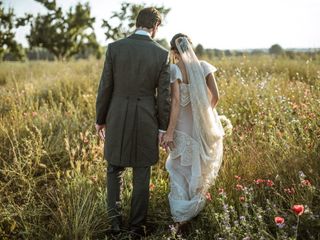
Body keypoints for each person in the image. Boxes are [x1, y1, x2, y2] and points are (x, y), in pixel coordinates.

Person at [95, 7, 171, 238]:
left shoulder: (114, 48)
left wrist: (100, 119)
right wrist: (162, 128)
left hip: (116, 116)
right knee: (141, 172)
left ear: (136, 23)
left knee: (113, 170)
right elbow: (164, 97)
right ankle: (137, 228)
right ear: (155, 27)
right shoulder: (162, 54)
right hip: (147, 119)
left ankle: (115, 225)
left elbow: (105, 87)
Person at [162, 33, 226, 234]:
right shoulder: (204, 66)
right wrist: (205, 116)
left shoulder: (175, 69)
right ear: (190, 47)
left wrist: (169, 132)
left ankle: (181, 218)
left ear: (174, 51)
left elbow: (175, 102)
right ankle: (192, 214)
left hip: (181, 128)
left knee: (179, 169)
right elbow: (215, 96)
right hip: (201, 128)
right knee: (197, 168)